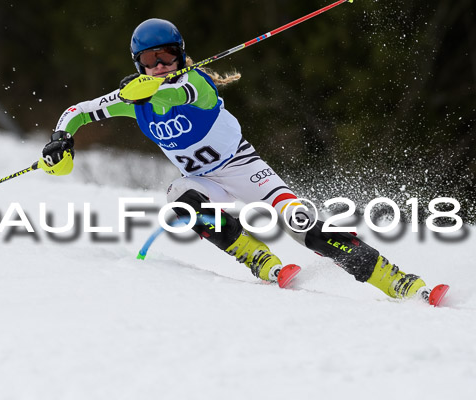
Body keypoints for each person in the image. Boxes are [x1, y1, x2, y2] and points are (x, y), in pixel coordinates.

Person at [40, 18, 432, 299]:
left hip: (244, 168)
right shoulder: (132, 101)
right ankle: (259, 260)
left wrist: (144, 92)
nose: (160, 65)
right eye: (149, 60)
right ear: (137, 64)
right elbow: (79, 111)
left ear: (181, 56)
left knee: (301, 224)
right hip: (202, 179)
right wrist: (61, 138)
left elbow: (173, 96)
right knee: (182, 198)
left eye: (167, 56)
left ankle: (393, 279)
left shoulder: (197, 84)